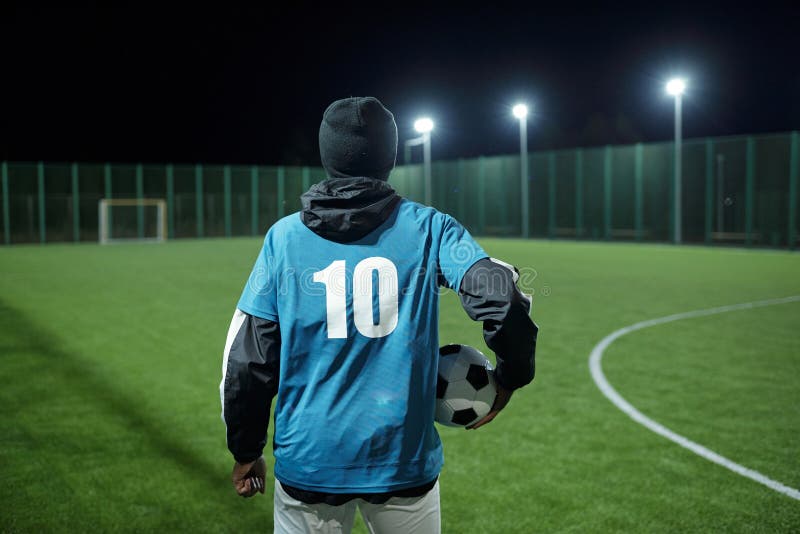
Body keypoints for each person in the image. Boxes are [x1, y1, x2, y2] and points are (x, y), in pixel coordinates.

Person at [220, 96, 537, 533]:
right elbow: (502, 293)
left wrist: (245, 449)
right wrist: (509, 378)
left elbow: (247, 362)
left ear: (326, 155)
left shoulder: (283, 239)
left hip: (310, 463)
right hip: (403, 463)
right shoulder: (431, 228)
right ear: (391, 156)